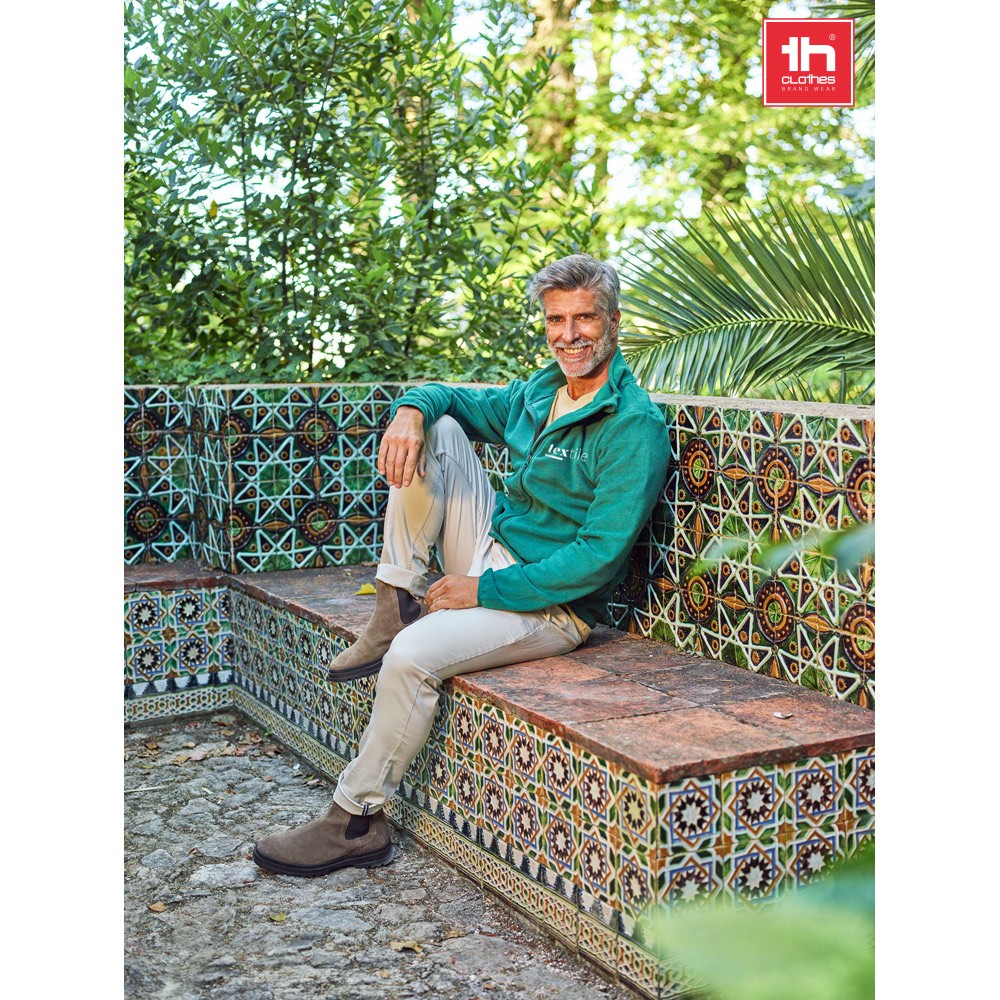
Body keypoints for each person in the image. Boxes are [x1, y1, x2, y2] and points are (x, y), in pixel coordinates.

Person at [252, 254, 669, 877]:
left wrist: (483, 589)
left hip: (551, 604)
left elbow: (596, 559)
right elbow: (445, 396)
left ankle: (356, 821)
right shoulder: (538, 393)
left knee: (411, 657)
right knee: (440, 429)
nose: (569, 335)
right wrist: (409, 412)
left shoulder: (632, 425)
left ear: (612, 322)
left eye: (584, 318)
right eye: (556, 320)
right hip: (489, 554)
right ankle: (394, 601)